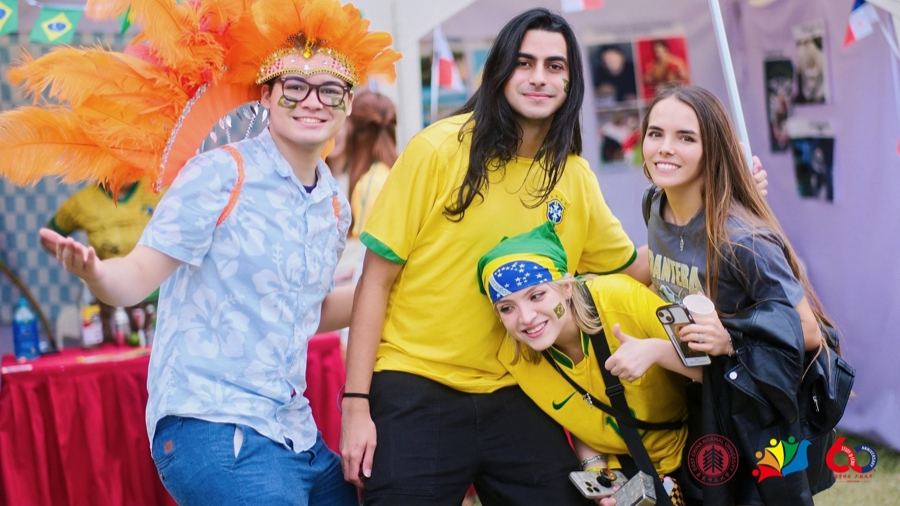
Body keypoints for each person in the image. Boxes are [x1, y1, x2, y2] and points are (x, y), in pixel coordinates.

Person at [26, 0, 400, 504]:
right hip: (212, 425)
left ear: (348, 104)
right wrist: (96, 273)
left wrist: (392, 287)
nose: (313, 101)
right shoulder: (221, 174)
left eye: (330, 90)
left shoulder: (334, 205)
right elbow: (137, 277)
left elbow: (302, 314)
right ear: (267, 96)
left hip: (296, 434)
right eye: (294, 87)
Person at [340, 8, 647, 506]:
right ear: (499, 70)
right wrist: (355, 405)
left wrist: (710, 202)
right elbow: (373, 282)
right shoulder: (437, 150)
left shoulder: (574, 177)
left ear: (571, 81)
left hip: (520, 389)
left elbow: (632, 269)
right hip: (416, 384)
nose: (539, 78)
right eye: (524, 63)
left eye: (555, 66)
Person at [640, 85, 834, 505]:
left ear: (714, 150)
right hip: (698, 396)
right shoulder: (656, 205)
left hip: (757, 414)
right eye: (655, 134)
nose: (664, 148)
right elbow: (659, 256)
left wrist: (729, 338)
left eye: (686, 138)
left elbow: (810, 332)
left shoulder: (742, 239)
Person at [476, 221, 702, 506]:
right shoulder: (516, 359)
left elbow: (718, 371)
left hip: (700, 453)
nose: (527, 317)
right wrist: (598, 475)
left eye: (537, 295)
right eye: (507, 308)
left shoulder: (621, 298)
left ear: (567, 288)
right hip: (629, 473)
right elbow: (582, 414)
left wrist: (656, 351)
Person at [40, 180, 162, 342]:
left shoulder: (160, 191)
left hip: (158, 297)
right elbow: (48, 236)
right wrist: (75, 260)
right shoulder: (83, 202)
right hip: (110, 300)